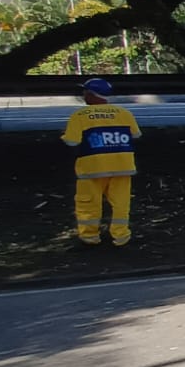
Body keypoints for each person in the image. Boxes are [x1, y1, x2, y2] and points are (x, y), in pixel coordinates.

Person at [61, 78, 141, 246]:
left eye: (84, 92)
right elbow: (136, 135)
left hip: (92, 167)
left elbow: (72, 142)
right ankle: (121, 236)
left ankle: (90, 237)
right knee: (121, 203)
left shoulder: (79, 116)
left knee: (88, 203)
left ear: (90, 94)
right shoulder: (124, 113)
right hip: (123, 166)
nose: (83, 95)